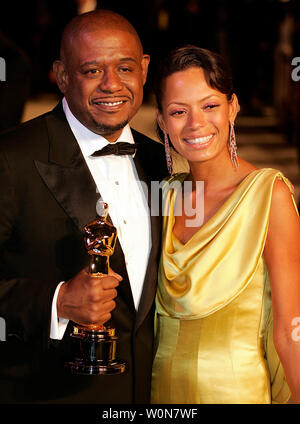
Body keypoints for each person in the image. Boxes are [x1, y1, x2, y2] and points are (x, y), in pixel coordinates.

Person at [0, 10, 167, 403]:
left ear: (144, 69)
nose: (112, 85)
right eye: (92, 71)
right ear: (61, 76)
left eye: (125, 68)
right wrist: (57, 301)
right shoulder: (11, 159)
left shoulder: (166, 164)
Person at [151, 45, 300, 404]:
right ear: (161, 122)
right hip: (159, 394)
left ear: (232, 107)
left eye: (209, 106)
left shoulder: (269, 194)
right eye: (178, 111)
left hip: (236, 392)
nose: (195, 123)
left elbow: (290, 329)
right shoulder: (163, 196)